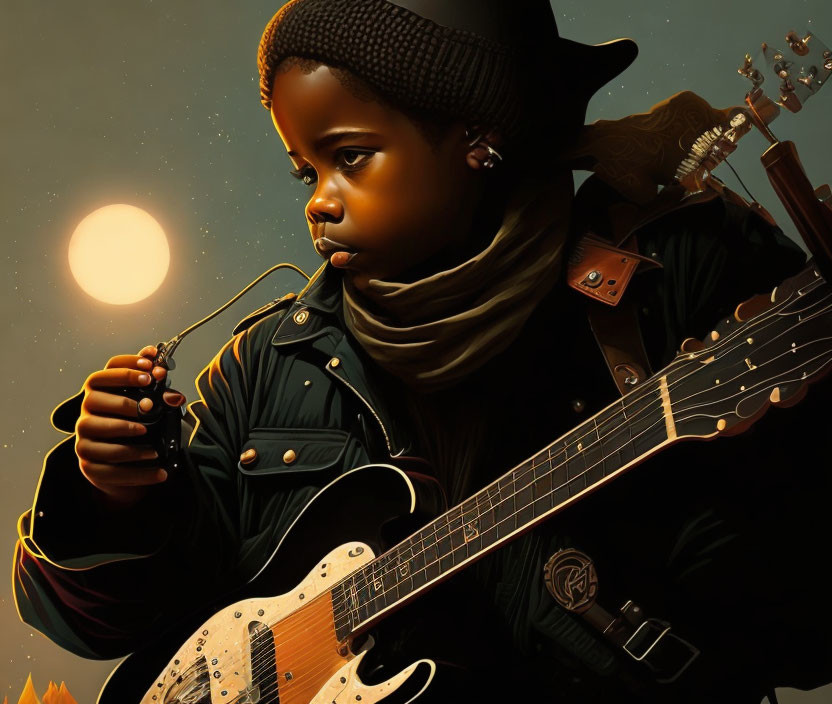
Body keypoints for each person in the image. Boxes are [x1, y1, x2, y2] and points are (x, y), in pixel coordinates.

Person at [12, 1, 831, 702]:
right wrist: (111, 498)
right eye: (307, 173)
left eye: (350, 157)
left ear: (478, 137)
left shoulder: (673, 272)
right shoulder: (263, 367)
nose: (320, 205)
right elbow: (134, 637)